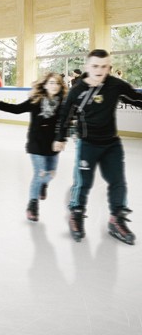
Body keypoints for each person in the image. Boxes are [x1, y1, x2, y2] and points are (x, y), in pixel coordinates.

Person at [57, 49, 142, 245]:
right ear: (87, 67)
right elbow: (65, 115)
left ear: (109, 68)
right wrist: (60, 137)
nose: (100, 70)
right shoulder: (77, 90)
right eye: (95, 66)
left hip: (111, 144)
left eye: (104, 67)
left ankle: (116, 219)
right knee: (83, 183)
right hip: (87, 144)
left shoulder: (115, 85)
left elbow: (136, 99)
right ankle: (76, 214)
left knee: (117, 181)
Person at [0, 73, 66, 222]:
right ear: (45, 85)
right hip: (36, 143)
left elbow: (66, 123)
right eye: (51, 83)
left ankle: (43, 184)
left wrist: (62, 139)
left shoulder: (63, 104)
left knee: (51, 174)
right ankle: (32, 206)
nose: (54, 86)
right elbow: (16, 109)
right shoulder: (35, 101)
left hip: (53, 144)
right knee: (40, 173)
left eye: (57, 83)